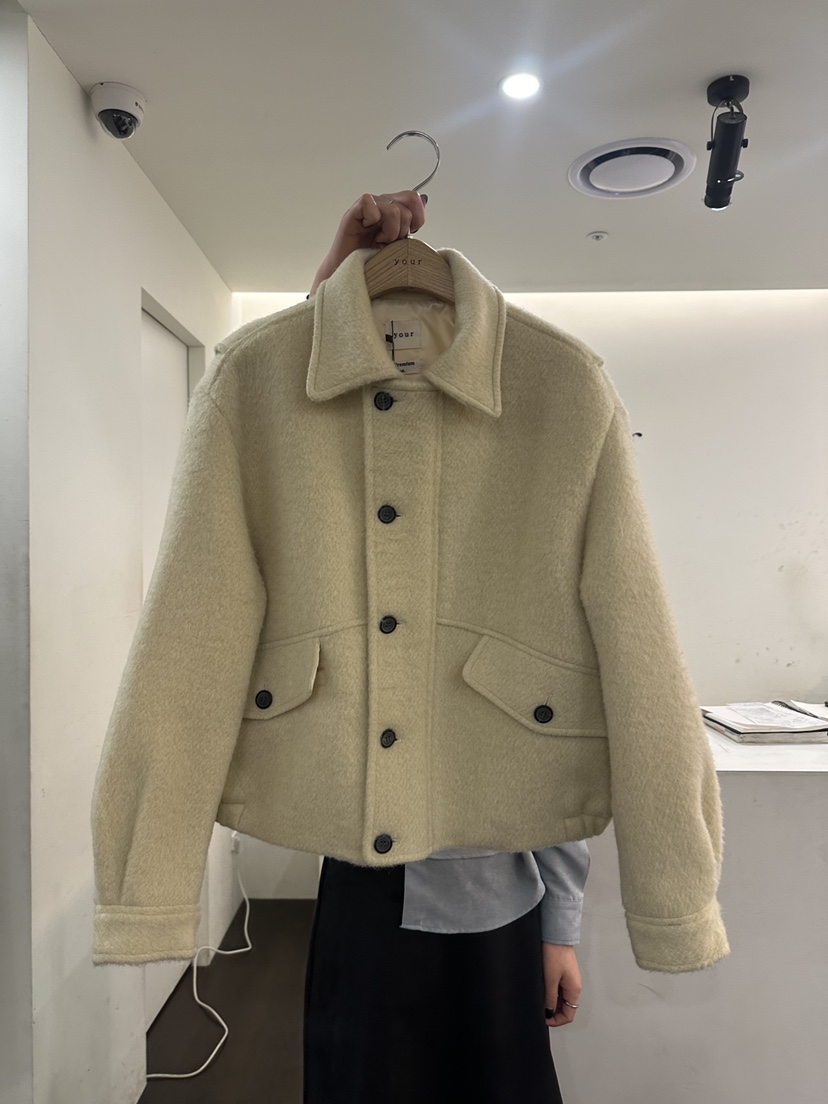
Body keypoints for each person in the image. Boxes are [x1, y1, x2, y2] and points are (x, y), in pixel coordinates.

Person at [301, 192, 587, 1104]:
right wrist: (336, 283)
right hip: (363, 874)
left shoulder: (546, 421)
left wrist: (561, 924)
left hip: (495, 896)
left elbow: (558, 723)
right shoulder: (347, 474)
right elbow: (295, 427)